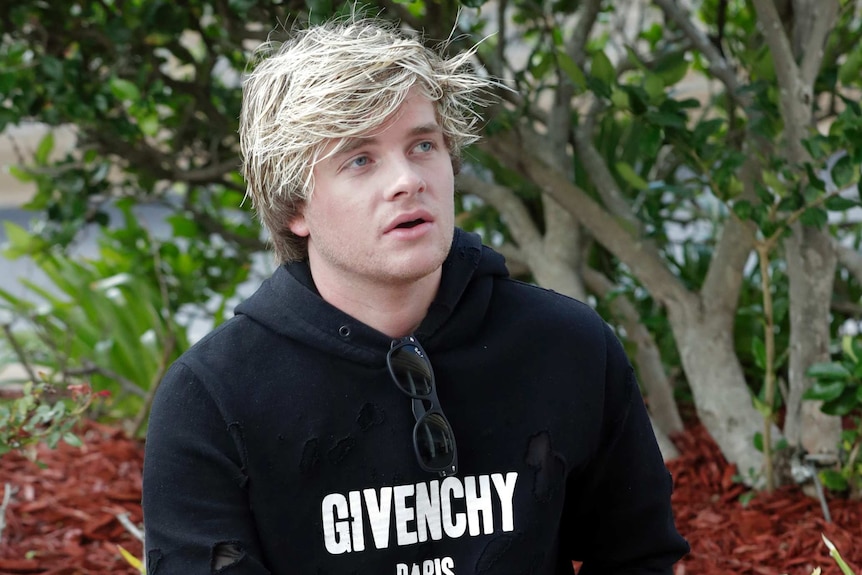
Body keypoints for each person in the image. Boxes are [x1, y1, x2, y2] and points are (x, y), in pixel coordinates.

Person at [141, 14, 689, 575]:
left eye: (423, 144)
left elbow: (637, 555)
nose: (407, 180)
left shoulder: (568, 345)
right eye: (360, 159)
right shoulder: (211, 400)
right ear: (294, 207)